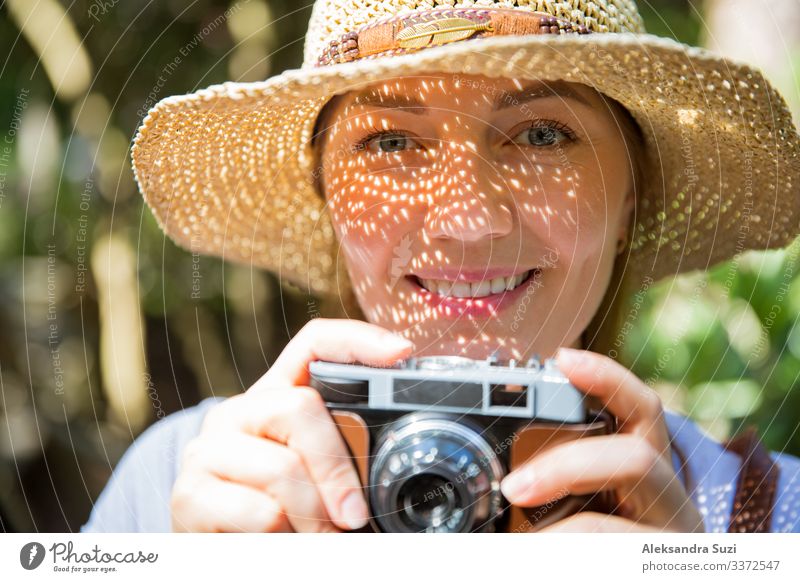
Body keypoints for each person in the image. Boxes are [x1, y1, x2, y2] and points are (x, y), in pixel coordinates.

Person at [83, 0, 800, 533]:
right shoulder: (177, 486)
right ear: (326, 194)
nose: (466, 222)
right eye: (390, 140)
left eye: (542, 134)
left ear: (630, 198)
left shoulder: (775, 524)